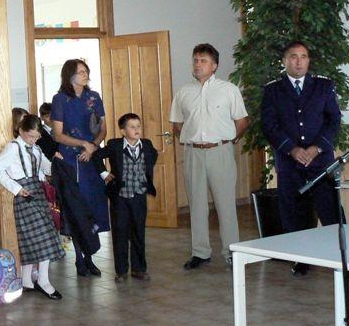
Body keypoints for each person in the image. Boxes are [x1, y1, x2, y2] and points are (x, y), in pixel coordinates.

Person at [261, 40, 343, 276]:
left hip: (320, 161)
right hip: (290, 162)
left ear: (308, 61)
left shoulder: (323, 86)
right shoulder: (273, 90)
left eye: (303, 56)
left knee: (331, 210)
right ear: (284, 61)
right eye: (293, 56)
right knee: (294, 212)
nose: (299, 62)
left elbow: (333, 120)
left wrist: (316, 148)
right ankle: (300, 259)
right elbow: (269, 126)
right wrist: (292, 150)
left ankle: (346, 259)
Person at [170, 44, 248, 270]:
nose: (197, 64)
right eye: (195, 60)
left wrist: (228, 141)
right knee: (196, 204)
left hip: (220, 151)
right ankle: (200, 252)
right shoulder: (184, 92)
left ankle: (231, 251)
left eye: (203, 60)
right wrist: (192, 140)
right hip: (193, 153)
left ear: (214, 66)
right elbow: (177, 124)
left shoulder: (229, 90)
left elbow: (242, 121)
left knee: (225, 204)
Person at [0, 114, 65, 300]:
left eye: (36, 137)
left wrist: (56, 161)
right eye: (30, 136)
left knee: (33, 240)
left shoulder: (36, 149)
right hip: (24, 196)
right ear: (20, 131)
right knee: (43, 238)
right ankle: (43, 280)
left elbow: (46, 168)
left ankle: (27, 281)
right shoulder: (13, 147)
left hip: (38, 193)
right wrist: (17, 189)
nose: (33, 140)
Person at [50, 59, 107, 277]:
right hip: (69, 160)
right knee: (75, 208)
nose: (85, 75)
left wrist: (92, 146)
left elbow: (103, 128)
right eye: (80, 72)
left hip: (90, 159)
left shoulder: (94, 97)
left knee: (91, 206)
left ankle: (90, 256)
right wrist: (83, 143)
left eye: (86, 71)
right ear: (69, 76)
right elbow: (58, 135)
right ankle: (79, 259)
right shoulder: (60, 99)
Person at [95, 113, 158, 282]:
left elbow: (153, 156)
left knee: (138, 231)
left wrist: (144, 177)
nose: (137, 129)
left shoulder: (146, 144)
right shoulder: (114, 145)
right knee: (120, 232)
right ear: (123, 131)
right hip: (120, 197)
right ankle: (121, 270)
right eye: (132, 127)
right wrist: (104, 173)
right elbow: (96, 156)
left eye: (138, 126)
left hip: (138, 195)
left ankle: (139, 269)